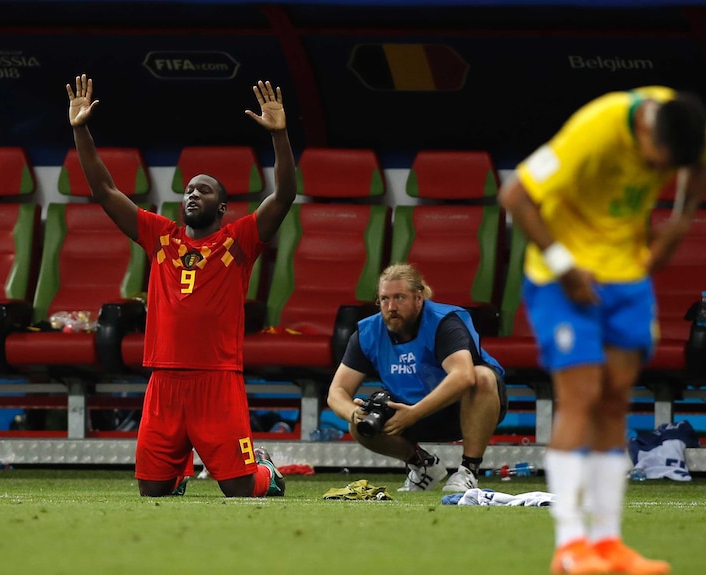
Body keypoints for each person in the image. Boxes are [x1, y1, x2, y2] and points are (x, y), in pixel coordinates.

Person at [498, 87, 706, 574]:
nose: (659, 172)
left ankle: (607, 544)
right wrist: (563, 267)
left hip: (625, 277)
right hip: (563, 278)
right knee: (581, 395)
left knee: (616, 398)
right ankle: (569, 545)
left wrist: (682, 220)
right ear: (645, 130)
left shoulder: (685, 123)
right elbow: (514, 195)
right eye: (657, 161)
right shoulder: (594, 130)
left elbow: (702, 161)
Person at [66, 73, 296, 498]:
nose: (192, 195)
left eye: (204, 191)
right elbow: (104, 188)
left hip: (218, 379)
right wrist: (81, 130)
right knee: (151, 492)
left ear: (223, 207)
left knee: (243, 491)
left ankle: (266, 470)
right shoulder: (160, 237)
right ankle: (177, 474)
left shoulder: (238, 241)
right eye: (188, 190)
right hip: (164, 380)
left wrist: (279, 137)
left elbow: (283, 196)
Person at [327, 263, 507, 493]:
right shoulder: (368, 332)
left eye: (399, 297)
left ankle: (468, 472)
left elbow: (463, 376)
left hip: (464, 408)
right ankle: (423, 466)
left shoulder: (444, 322)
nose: (391, 307)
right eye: (384, 299)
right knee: (359, 425)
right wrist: (353, 413)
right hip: (409, 410)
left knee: (481, 376)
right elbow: (337, 392)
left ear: (419, 298)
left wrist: (414, 414)